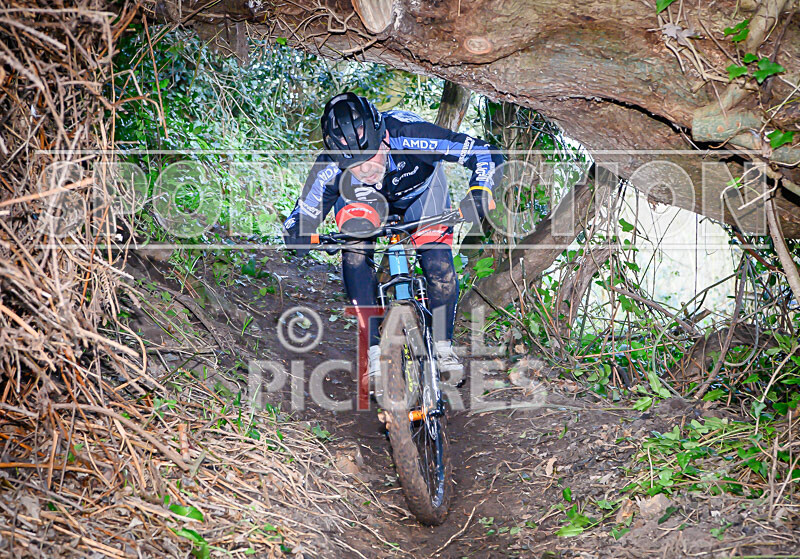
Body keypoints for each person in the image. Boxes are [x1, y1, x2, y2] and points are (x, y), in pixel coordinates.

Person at [282, 92, 503, 387]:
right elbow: (301, 217)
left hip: (422, 195)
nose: (365, 170)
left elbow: (484, 153)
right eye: (353, 164)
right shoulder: (331, 164)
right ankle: (373, 350)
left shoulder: (410, 135)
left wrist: (480, 191)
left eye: (370, 156)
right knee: (355, 251)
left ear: (384, 139)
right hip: (364, 203)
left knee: (439, 264)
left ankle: (442, 347)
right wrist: (299, 235)